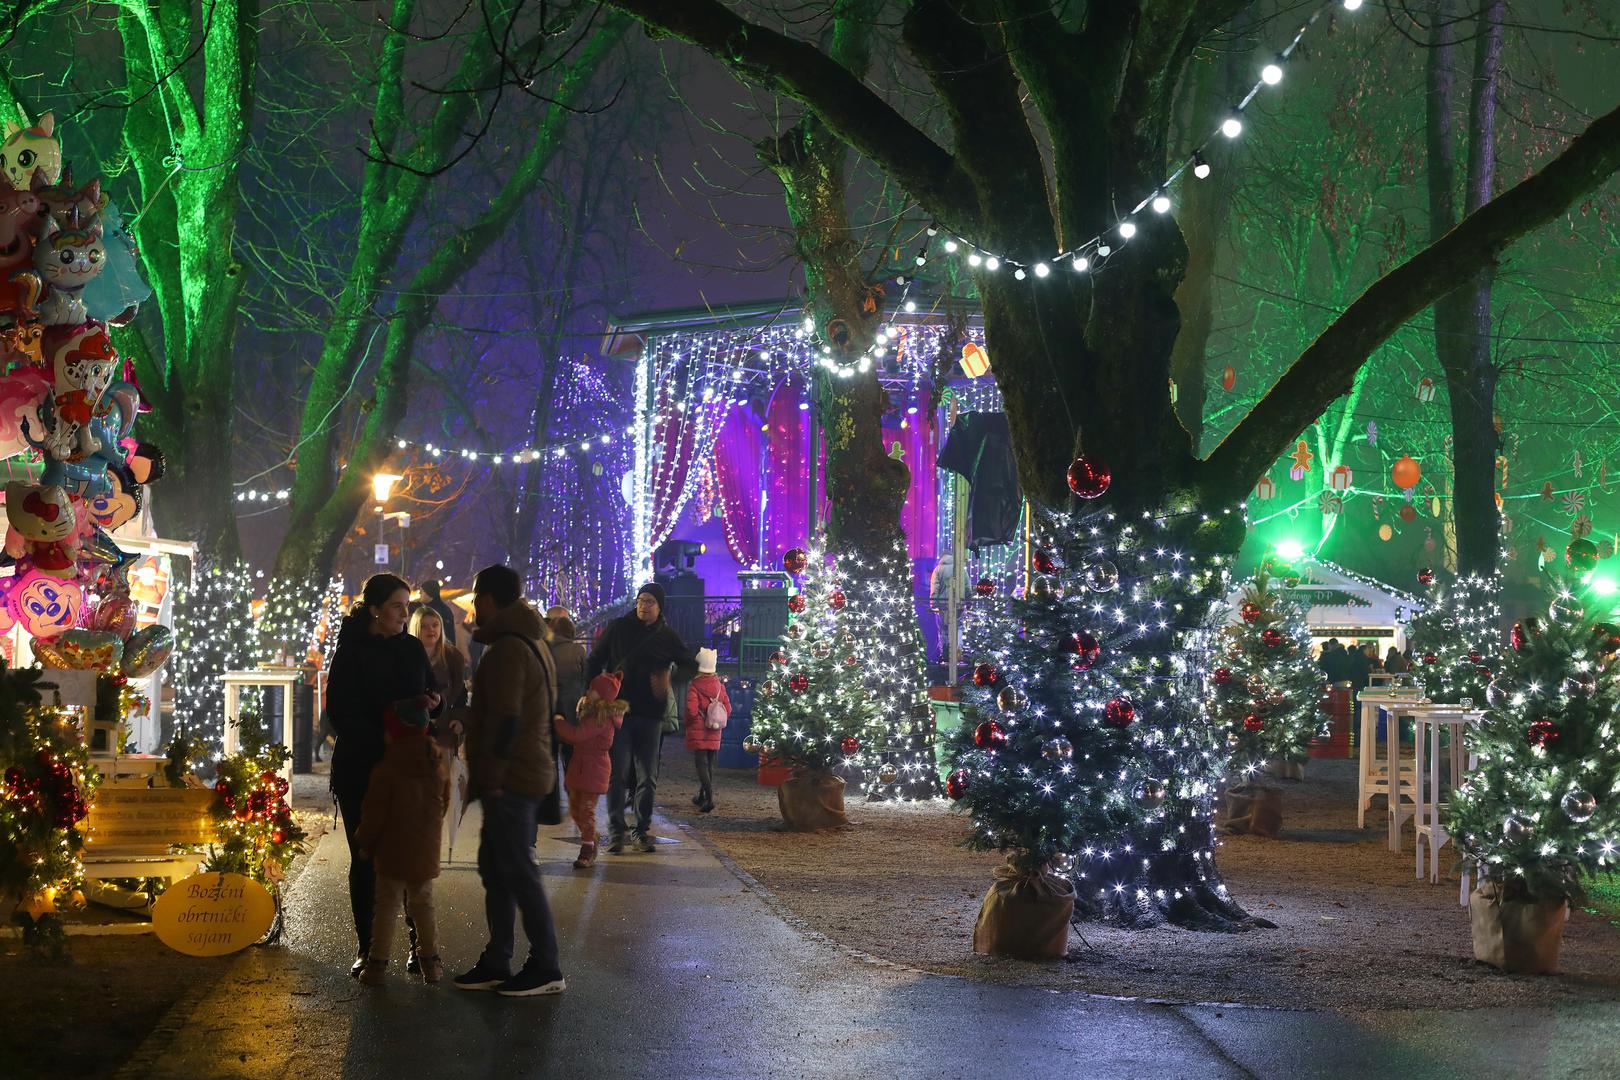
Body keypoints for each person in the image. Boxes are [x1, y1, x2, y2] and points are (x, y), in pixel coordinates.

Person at [453, 564, 565, 998]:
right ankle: (499, 958)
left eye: (477, 596)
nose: (474, 606)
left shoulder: (507, 650)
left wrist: (493, 778)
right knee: (499, 868)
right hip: (521, 771)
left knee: (517, 868)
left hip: (513, 776)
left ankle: (546, 964)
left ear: (489, 600)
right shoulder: (529, 642)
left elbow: (505, 717)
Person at [324, 573, 442, 978]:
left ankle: (416, 945)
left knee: (408, 855)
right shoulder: (351, 651)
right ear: (374, 608)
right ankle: (368, 947)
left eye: (406, 605)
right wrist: (386, 729)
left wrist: (433, 702)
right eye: (396, 605)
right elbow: (339, 714)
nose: (404, 613)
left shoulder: (411, 648)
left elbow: (435, 693)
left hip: (408, 770)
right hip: (362, 768)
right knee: (365, 854)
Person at [587, 582, 697, 854]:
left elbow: (690, 664)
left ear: (659, 607)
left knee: (648, 776)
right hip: (619, 713)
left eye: (649, 601)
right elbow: (594, 660)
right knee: (617, 774)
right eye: (640, 600)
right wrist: (592, 693)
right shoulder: (618, 628)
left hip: (651, 714)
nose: (643, 605)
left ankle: (641, 830)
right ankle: (616, 832)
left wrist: (670, 678)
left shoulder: (667, 636)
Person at [355, 699, 450, 986]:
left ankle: (377, 967)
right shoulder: (437, 763)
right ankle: (431, 965)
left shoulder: (387, 767)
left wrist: (364, 841)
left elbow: (374, 812)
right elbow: (444, 805)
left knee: (386, 907)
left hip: (393, 851)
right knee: (424, 905)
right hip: (424, 850)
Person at [556, 672, 627, 869]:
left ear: (602, 695)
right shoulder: (590, 712)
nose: (588, 691)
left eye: (592, 689)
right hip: (580, 766)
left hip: (594, 768)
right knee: (575, 809)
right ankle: (591, 837)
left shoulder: (600, 718)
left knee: (586, 811)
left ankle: (587, 850)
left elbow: (577, 735)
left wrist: (558, 722)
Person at [684, 648, 730, 814]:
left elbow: (691, 709)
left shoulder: (695, 686)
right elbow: (728, 708)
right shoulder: (720, 686)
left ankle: (709, 798)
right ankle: (702, 796)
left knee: (701, 764)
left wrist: (690, 724)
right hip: (715, 729)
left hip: (699, 729)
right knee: (709, 763)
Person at [546, 606, 587, 779]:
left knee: (551, 750)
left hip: (550, 706)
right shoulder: (578, 650)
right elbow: (586, 676)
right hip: (572, 705)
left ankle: (551, 788)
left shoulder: (546, 650)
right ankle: (571, 786)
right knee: (570, 749)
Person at [410, 605, 468, 711]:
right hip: (414, 718)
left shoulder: (453, 655)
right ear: (416, 628)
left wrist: (458, 719)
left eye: (435, 625)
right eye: (424, 626)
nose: (431, 629)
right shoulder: (407, 655)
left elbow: (460, 692)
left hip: (445, 719)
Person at [417, 579, 461, 652]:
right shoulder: (421, 609)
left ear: (429, 592)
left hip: (438, 653)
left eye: (422, 590)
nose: (420, 593)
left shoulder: (443, 611)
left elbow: (449, 635)